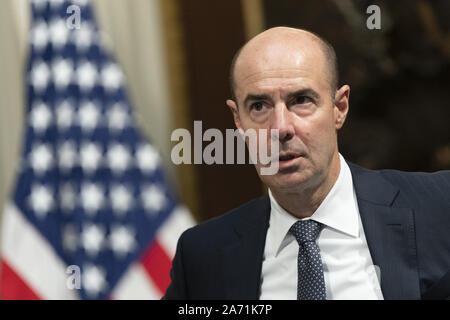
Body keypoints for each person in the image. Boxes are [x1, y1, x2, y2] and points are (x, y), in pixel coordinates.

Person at [164, 27, 450, 300]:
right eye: (259, 106)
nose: (280, 128)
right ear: (238, 120)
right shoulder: (203, 255)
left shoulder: (439, 206)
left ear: (339, 108)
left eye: (301, 100)